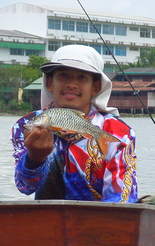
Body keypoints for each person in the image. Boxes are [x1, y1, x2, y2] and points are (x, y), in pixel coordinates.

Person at [11, 45, 137, 202]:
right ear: (50, 83)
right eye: (63, 75)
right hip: (47, 219)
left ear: (95, 87)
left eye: (82, 77)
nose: (71, 84)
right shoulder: (25, 125)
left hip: (99, 220)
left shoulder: (119, 132)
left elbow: (121, 198)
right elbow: (25, 187)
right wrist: (35, 158)